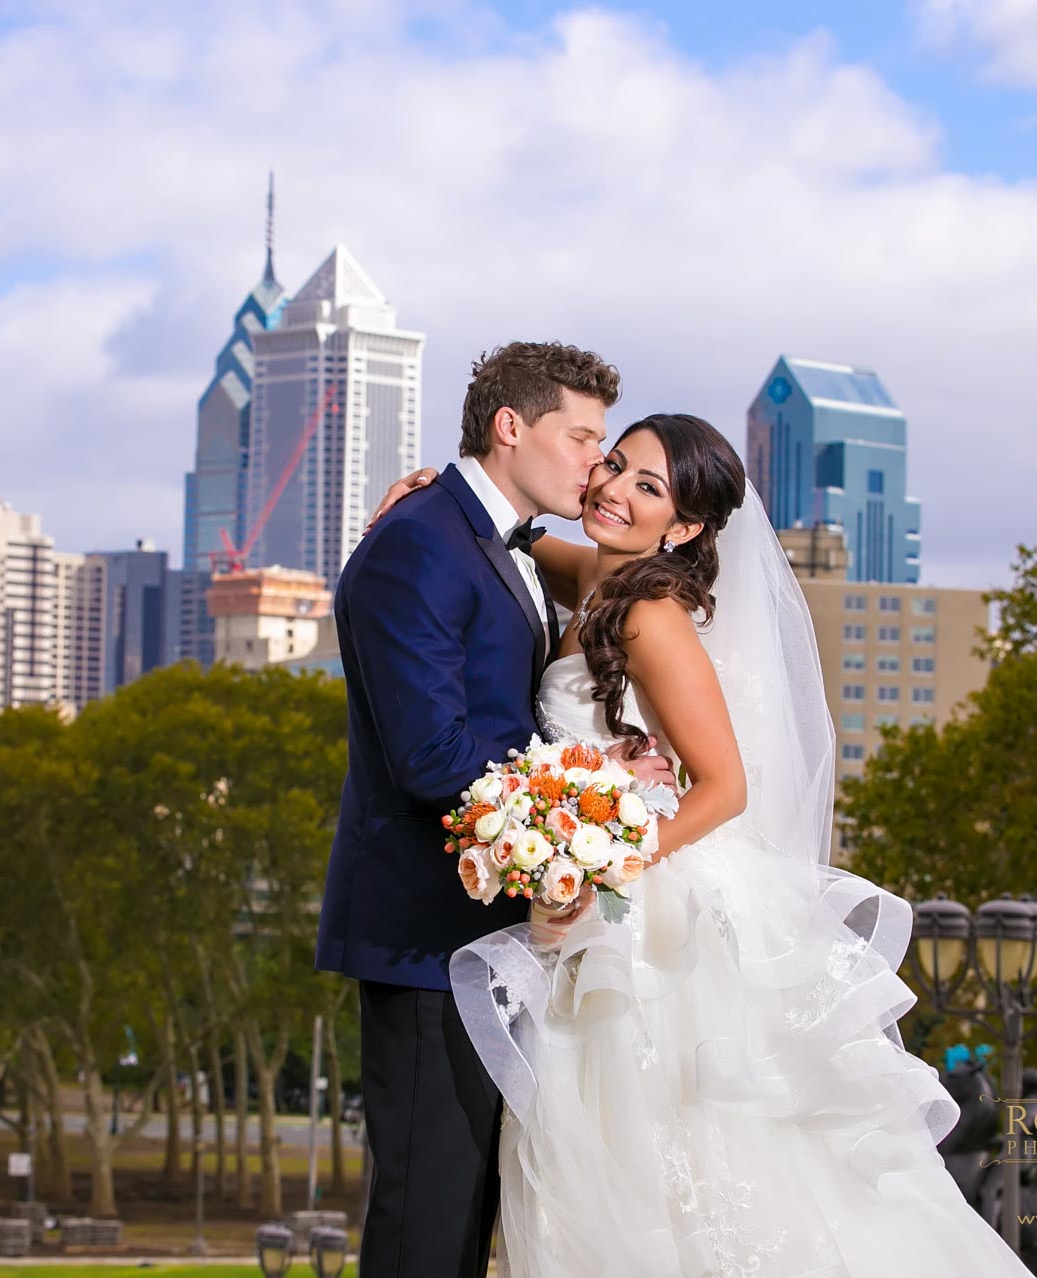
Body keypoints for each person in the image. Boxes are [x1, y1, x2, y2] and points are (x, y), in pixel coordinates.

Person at [370, 414, 1037, 1276]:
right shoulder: (596, 575)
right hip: (593, 906)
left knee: (667, 1153)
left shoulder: (649, 613)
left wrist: (606, 861)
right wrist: (436, 491)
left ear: (683, 527)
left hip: (647, 916)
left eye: (647, 488)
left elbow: (724, 786)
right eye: (613, 464)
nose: (611, 489)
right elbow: (514, 537)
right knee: (587, 1152)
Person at [314, 342, 675, 1278]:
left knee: (469, 1216)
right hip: (425, 936)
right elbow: (432, 754)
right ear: (511, 428)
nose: (596, 465)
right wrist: (588, 804)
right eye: (583, 437)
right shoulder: (421, 542)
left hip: (491, 935)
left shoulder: (492, 539)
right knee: (424, 1225)